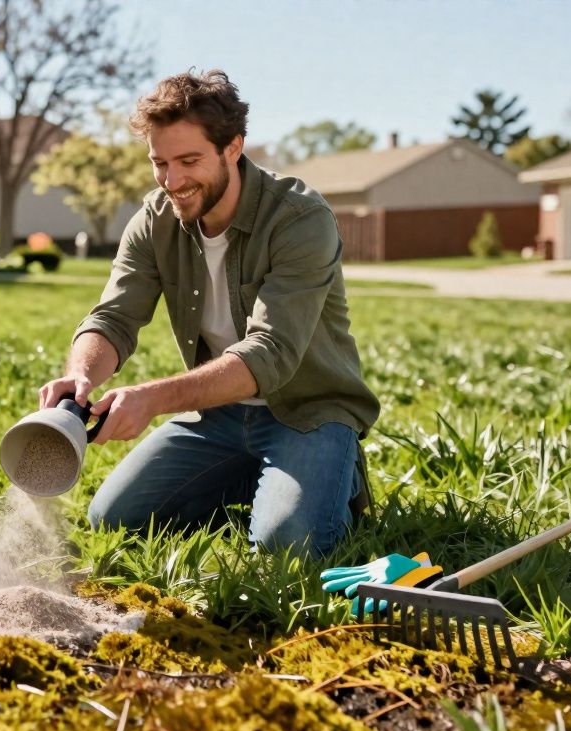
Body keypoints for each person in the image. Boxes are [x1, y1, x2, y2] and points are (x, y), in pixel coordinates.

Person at [37, 69, 380, 557]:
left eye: (190, 160)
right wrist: (80, 376)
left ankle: (333, 475)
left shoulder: (300, 219)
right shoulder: (155, 221)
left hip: (308, 412)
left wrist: (152, 399)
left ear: (233, 148)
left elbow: (270, 354)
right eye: (160, 163)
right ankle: (258, 479)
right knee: (113, 520)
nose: (172, 181)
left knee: (288, 546)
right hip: (218, 415)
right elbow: (113, 318)